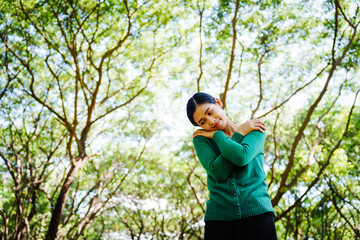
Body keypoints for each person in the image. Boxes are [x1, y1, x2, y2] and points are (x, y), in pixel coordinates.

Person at [186, 92, 277, 240]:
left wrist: (220, 134)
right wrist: (219, 135)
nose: (210, 120)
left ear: (218, 102)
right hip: (219, 222)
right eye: (202, 122)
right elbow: (218, 172)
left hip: (259, 216)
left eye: (210, 112)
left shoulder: (254, 129)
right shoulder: (202, 140)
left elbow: (241, 157)